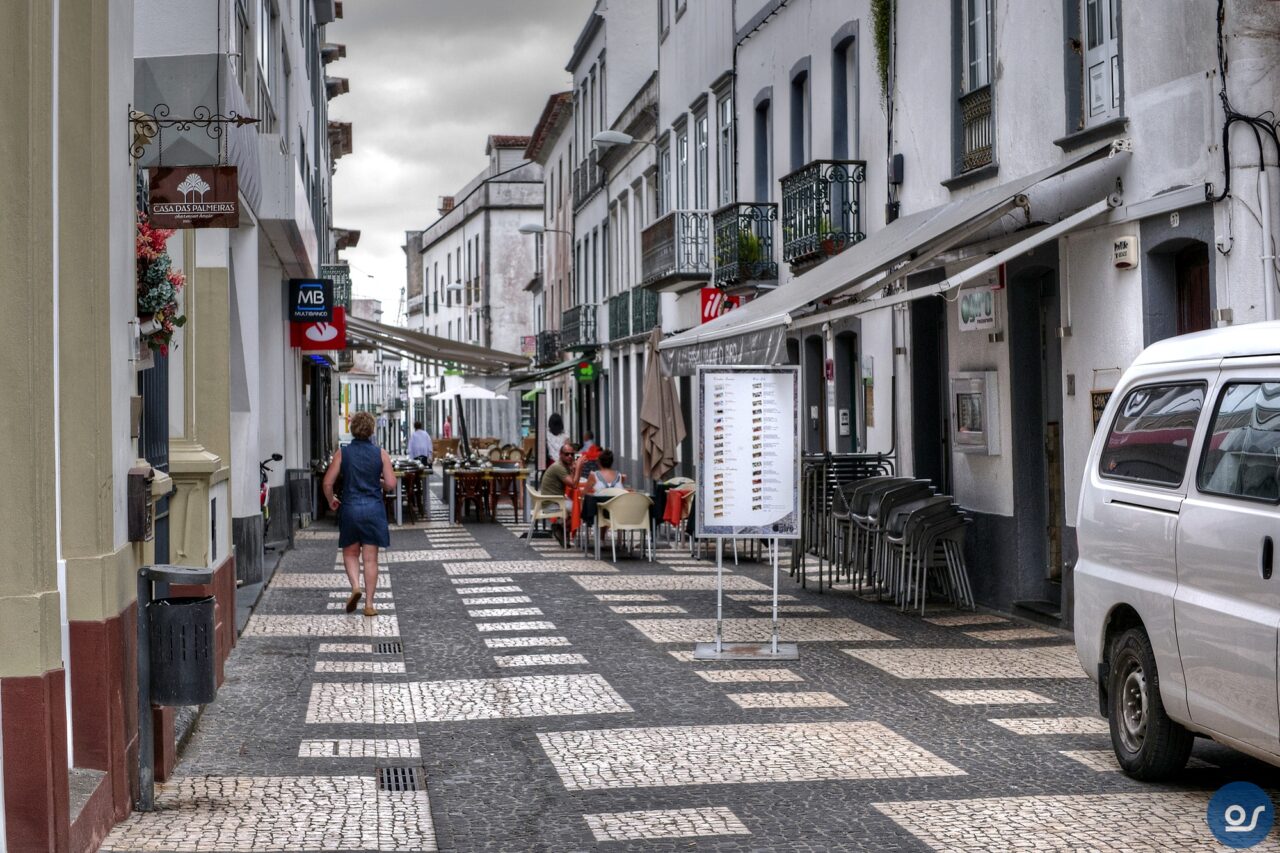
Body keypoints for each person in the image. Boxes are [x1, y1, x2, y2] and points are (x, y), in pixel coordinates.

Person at [322, 411, 396, 617]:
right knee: (371, 559)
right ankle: (369, 604)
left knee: (350, 553)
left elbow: (327, 483)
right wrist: (378, 482)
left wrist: (331, 500)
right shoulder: (381, 453)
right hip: (373, 509)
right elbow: (391, 484)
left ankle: (355, 586)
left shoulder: (342, 453)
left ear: (352, 429)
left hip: (351, 508)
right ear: (372, 430)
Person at [539, 441, 576, 544]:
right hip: (550, 504)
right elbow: (573, 484)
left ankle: (561, 527)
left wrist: (573, 470)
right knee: (580, 509)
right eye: (567, 454)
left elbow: (572, 482)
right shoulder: (559, 467)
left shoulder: (563, 466)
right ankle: (560, 527)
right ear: (560, 454)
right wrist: (578, 468)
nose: (570, 457)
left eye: (572, 454)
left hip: (554, 500)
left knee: (577, 507)